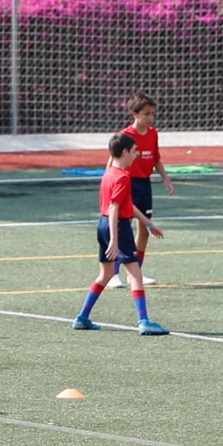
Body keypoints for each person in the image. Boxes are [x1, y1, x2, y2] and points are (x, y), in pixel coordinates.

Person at [73, 132, 168, 335]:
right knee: (135, 274)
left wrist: (148, 224)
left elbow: (126, 205)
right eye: (134, 152)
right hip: (118, 226)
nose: (136, 156)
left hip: (103, 224)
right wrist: (115, 239)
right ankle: (143, 321)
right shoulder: (123, 177)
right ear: (125, 152)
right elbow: (115, 206)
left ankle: (82, 317)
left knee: (105, 274)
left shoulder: (108, 173)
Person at [117, 92, 177, 263]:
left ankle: (135, 272)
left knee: (144, 231)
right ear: (134, 114)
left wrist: (166, 178)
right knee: (123, 229)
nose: (151, 117)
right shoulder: (125, 136)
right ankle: (114, 274)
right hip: (127, 184)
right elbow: (113, 162)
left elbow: (156, 158)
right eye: (147, 114)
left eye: (153, 113)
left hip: (144, 185)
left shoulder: (153, 133)